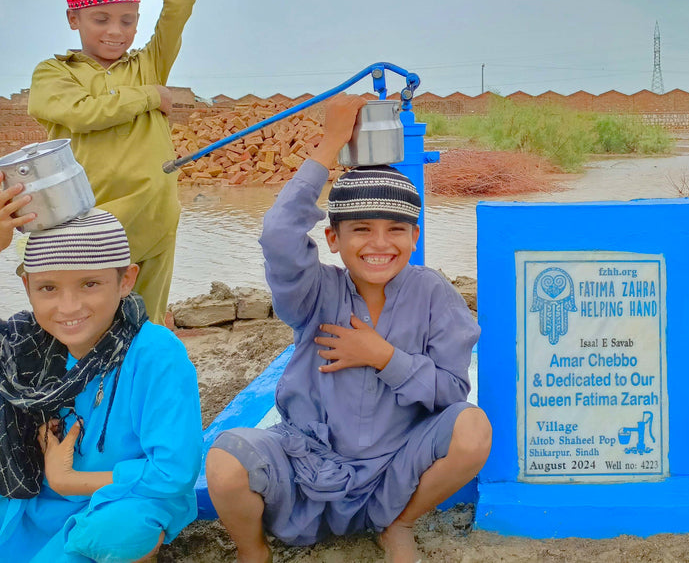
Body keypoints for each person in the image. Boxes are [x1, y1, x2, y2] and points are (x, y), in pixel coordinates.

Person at [205, 94, 492, 563]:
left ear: (414, 236)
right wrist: (331, 142)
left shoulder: (434, 293)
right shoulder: (313, 293)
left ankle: (399, 523)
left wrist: (384, 358)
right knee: (225, 458)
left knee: (473, 429)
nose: (380, 244)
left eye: (396, 230)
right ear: (333, 239)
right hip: (307, 465)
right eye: (361, 229)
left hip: (396, 469)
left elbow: (451, 393)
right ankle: (252, 551)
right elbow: (278, 235)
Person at [0, 173, 203, 562]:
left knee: (123, 531)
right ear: (28, 288)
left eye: (90, 284)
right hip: (37, 494)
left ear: (125, 280)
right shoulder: (25, 341)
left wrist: (68, 479)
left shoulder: (154, 352)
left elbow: (174, 474)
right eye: (48, 288)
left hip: (114, 502)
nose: (68, 308)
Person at [27, 0, 196, 325]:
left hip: (156, 219)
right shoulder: (53, 73)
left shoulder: (149, 63)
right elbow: (84, 111)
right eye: (101, 19)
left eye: (127, 20)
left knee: (146, 327)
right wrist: (149, 96)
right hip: (89, 226)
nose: (116, 32)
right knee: (84, 326)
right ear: (73, 19)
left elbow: (181, 4)